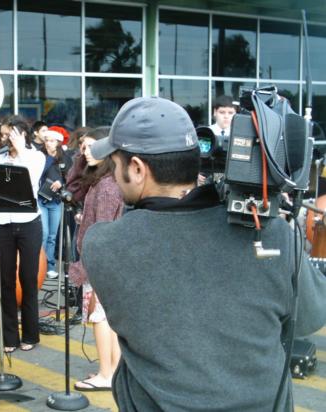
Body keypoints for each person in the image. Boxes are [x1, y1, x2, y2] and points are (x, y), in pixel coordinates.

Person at [82, 96, 326, 411]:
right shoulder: (274, 235)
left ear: (138, 168)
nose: (114, 177)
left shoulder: (103, 244)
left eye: (114, 166)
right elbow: (309, 318)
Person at [68, 128, 123, 392]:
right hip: (108, 261)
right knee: (107, 319)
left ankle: (105, 373)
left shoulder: (106, 186)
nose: (85, 151)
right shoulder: (108, 180)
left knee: (99, 318)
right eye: (83, 146)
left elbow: (102, 230)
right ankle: (112, 370)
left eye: (91, 146)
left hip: (101, 262)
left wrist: (90, 265)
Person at [0, 115, 45, 353]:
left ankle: (30, 334)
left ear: (22, 134)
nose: (5, 139)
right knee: (5, 280)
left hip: (28, 223)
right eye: (3, 135)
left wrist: (21, 150)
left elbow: (31, 177)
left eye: (9, 134)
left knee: (28, 278)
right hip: (4, 223)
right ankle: (9, 337)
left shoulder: (36, 156)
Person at [38, 129, 72, 279]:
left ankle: (50, 266)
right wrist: (49, 158)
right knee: (44, 233)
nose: (48, 143)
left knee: (52, 235)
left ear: (58, 142)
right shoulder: (39, 155)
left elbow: (70, 178)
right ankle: (40, 266)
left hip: (56, 200)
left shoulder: (64, 158)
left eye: (52, 141)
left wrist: (61, 183)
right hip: (40, 199)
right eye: (46, 140)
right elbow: (36, 173)